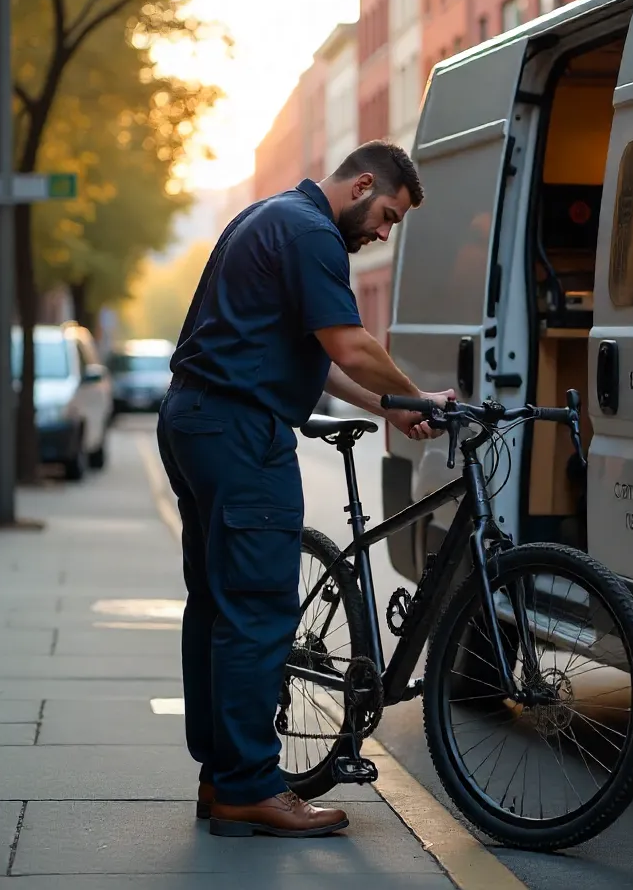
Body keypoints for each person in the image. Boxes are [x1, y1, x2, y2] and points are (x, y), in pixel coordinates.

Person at [156, 140, 453, 839]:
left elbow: (317, 361)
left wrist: (388, 406)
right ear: (362, 184)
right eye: (387, 215)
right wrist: (419, 395)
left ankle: (222, 775)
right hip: (239, 433)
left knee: (220, 607)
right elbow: (349, 344)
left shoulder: (267, 218)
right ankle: (253, 787)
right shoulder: (313, 234)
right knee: (258, 609)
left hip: (196, 418)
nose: (382, 232)